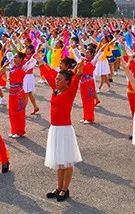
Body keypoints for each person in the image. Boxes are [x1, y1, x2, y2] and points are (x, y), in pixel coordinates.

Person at [43, 61, 84, 203]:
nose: (56, 81)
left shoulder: (70, 92)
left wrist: (79, 71)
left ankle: (65, 189)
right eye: (57, 79)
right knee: (59, 160)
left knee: (67, 161)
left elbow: (77, 78)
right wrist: (41, 62)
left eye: (60, 79)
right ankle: (58, 187)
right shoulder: (56, 90)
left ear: (67, 82)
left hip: (65, 130)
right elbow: (48, 76)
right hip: (54, 129)